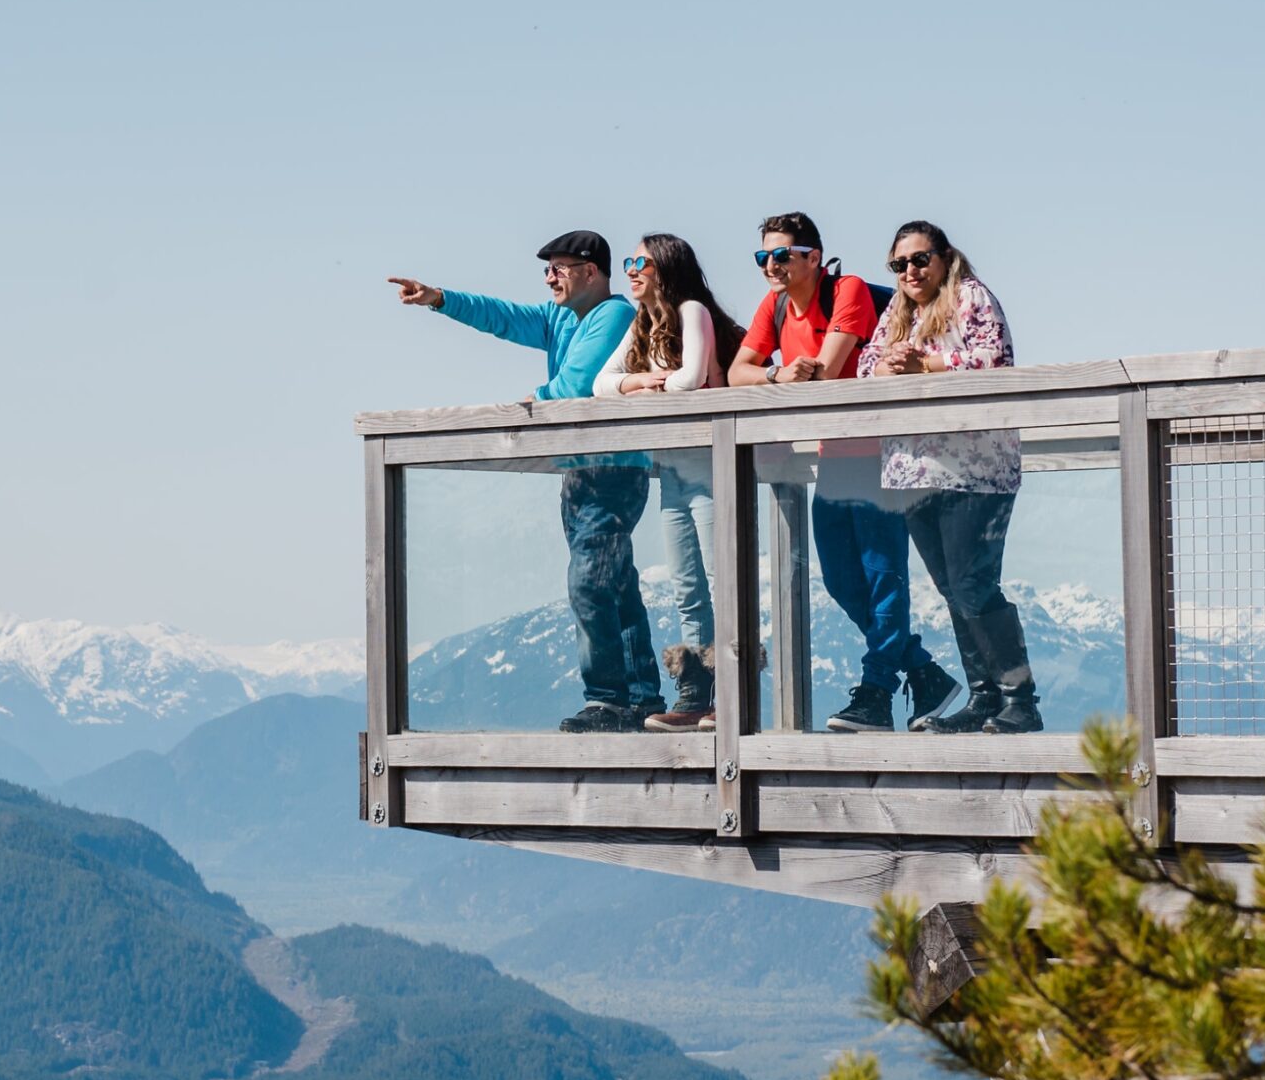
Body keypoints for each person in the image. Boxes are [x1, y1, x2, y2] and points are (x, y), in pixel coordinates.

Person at [389, 233, 663, 732]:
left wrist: (533, 398)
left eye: (559, 268)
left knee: (588, 583)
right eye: (548, 270)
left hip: (615, 469)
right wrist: (440, 300)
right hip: (578, 470)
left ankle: (607, 699)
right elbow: (504, 317)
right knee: (615, 585)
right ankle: (641, 698)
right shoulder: (560, 317)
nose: (549, 278)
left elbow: (578, 384)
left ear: (590, 271)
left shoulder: (615, 315)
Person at [727, 214, 958, 733]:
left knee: (882, 578)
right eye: (763, 257)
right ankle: (922, 672)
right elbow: (740, 372)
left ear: (813, 257)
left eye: (782, 255)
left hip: (883, 452)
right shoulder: (776, 304)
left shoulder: (847, 289)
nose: (771, 265)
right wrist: (775, 373)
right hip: (836, 455)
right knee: (839, 579)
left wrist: (785, 375)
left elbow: (826, 373)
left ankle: (876, 692)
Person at [860, 220, 1039, 734]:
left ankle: (1020, 699)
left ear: (944, 256)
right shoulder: (899, 311)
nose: (910, 271)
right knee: (951, 590)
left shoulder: (972, 297)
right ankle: (984, 697)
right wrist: (890, 362)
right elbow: (866, 364)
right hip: (911, 469)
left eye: (920, 259)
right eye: (899, 265)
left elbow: (995, 358)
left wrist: (928, 364)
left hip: (975, 469)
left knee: (974, 584)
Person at [592, 235, 743, 730]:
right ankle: (694, 694)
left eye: (642, 263)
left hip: (713, 464)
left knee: (724, 585)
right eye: (631, 262)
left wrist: (652, 382)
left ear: (667, 268)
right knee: (687, 589)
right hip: (674, 471)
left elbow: (692, 378)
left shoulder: (691, 310)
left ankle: (735, 697)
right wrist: (639, 382)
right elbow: (601, 384)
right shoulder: (644, 325)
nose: (632, 270)